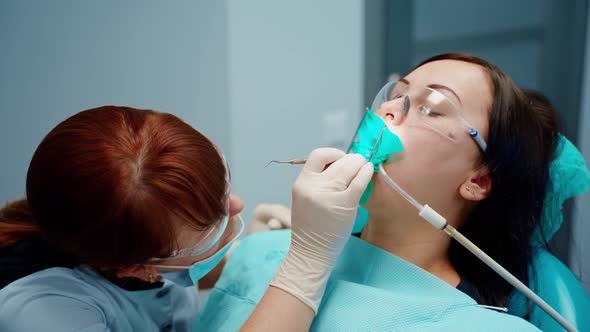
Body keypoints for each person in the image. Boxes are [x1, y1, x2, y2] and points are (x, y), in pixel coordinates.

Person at [193, 53, 590, 331]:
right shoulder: (269, 252)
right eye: (396, 95)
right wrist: (209, 252)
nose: (389, 111)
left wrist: (304, 261)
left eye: (431, 108)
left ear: (478, 181)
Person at [0, 106, 373, 331]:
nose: (239, 205)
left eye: (224, 189)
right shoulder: (39, 314)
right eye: (209, 231)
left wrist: (241, 259)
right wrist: (307, 261)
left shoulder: (136, 237)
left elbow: (179, 276)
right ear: (137, 268)